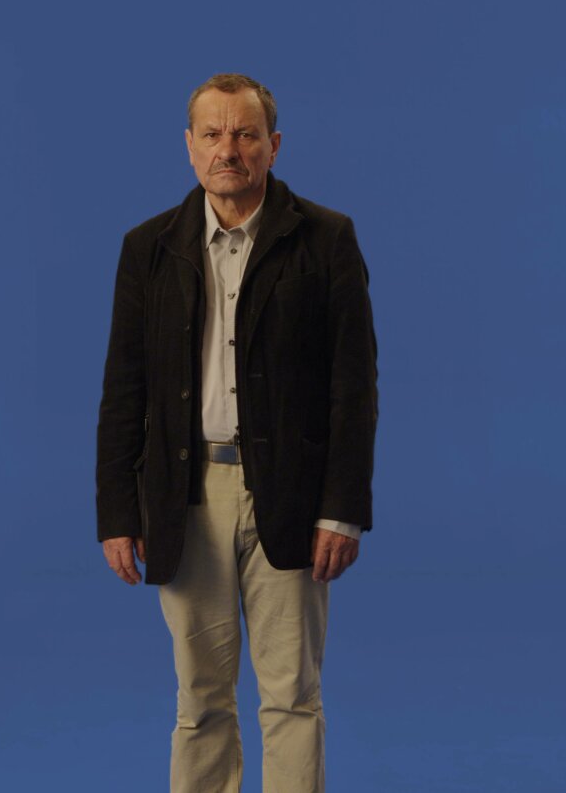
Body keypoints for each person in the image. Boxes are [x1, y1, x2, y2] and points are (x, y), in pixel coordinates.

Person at [95, 73, 378, 793]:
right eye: (214, 134)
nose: (229, 149)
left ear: (273, 146)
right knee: (200, 699)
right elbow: (124, 389)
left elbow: (354, 389)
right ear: (189, 146)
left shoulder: (326, 239)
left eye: (246, 134)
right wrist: (118, 512)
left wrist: (342, 509)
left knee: (292, 696)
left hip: (293, 495)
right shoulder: (148, 248)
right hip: (184, 496)